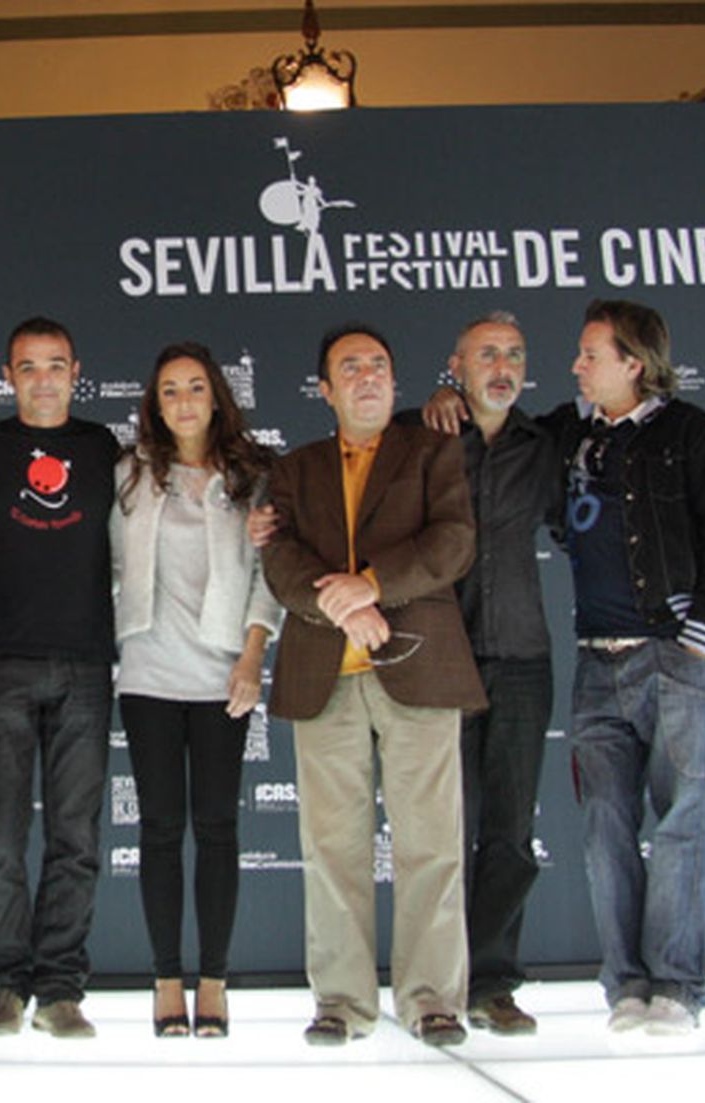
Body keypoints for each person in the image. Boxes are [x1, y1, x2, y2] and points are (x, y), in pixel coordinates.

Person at [262, 324, 485, 1047]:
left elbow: (453, 541)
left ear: (394, 380)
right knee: (332, 849)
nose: (368, 376)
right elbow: (280, 558)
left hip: (420, 668)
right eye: (350, 367)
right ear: (325, 389)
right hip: (323, 678)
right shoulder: (295, 469)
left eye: (379, 365)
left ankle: (433, 1000)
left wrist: (372, 585)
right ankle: (341, 1003)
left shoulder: (432, 452)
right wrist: (340, 604)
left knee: (432, 843)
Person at [550, 300, 705, 1033]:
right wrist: (450, 398)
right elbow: (503, 434)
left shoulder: (691, 433)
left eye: (591, 355)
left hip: (671, 658)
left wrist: (700, 634)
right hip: (594, 662)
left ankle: (676, 986)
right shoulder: (573, 433)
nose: (576, 366)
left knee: (680, 822)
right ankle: (626, 987)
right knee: (604, 829)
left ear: (634, 364)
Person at [111, 341, 283, 1038]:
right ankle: (164, 980)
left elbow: (270, 575)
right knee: (158, 829)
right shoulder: (129, 473)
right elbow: (105, 560)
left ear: (217, 397)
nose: (183, 401)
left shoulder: (253, 475)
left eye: (195, 387)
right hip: (148, 671)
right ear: (155, 404)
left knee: (217, 829)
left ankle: (213, 979)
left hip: (222, 674)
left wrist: (252, 657)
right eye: (170, 390)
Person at [401, 313, 560, 1035]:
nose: (504, 366)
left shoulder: (546, 444)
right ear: (457, 366)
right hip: (443, 658)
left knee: (509, 832)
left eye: (515, 355)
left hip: (523, 659)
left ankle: (493, 981)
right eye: (487, 354)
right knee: (442, 833)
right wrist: (436, 401)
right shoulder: (421, 433)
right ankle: (437, 983)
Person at [0, 317, 118, 1038]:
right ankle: (3, 983)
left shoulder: (103, 448)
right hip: (1, 660)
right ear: (9, 376)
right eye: (29, 366)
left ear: (75, 371)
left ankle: (59, 988)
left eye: (56, 365)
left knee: (75, 835)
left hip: (85, 661)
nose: (44, 379)